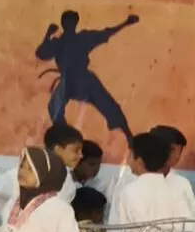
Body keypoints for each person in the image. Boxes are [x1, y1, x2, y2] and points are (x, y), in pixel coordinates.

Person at [36, 11, 138, 143]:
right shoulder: (58, 43)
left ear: (75, 23)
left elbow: (106, 33)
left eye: (71, 22)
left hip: (83, 78)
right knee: (54, 108)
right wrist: (48, 34)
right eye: (67, 22)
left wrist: (125, 23)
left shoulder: (82, 38)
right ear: (63, 23)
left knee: (109, 105)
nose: (69, 24)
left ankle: (128, 135)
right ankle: (65, 138)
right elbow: (41, 53)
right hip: (68, 80)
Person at [108, 132, 192, 232]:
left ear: (139, 161)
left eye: (130, 155)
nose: (128, 160)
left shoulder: (129, 191)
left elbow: (125, 230)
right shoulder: (176, 191)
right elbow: (186, 229)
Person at [0, 124, 83, 225]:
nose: (81, 155)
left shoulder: (69, 183)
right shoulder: (27, 170)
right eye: (76, 150)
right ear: (57, 149)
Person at [150, 126, 195, 232]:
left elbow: (193, 225)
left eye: (180, 151)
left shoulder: (182, 184)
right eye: (172, 150)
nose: (177, 156)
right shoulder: (132, 183)